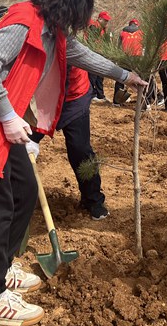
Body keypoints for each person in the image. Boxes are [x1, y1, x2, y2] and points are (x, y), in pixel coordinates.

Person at [0, 0, 146, 326]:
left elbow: (80, 55)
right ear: (71, 1)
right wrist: (8, 115)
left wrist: (123, 75)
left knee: (23, 191)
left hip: (2, 124)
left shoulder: (52, 29)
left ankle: (4, 266)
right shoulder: (24, 22)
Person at [30, 65, 109, 219]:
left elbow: (92, 60)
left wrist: (124, 76)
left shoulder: (74, 49)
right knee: (23, 144)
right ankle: (15, 197)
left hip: (74, 97)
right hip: (42, 98)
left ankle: (93, 199)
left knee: (80, 149)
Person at [113, 18, 142, 105]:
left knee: (121, 78)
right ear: (137, 25)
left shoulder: (122, 33)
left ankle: (116, 102)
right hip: (137, 57)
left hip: (125, 57)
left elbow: (118, 47)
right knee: (142, 79)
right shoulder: (141, 33)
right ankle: (145, 103)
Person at [87, 10, 112, 101]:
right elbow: (92, 40)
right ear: (100, 19)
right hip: (93, 53)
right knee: (92, 75)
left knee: (100, 75)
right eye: (105, 20)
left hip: (101, 54)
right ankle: (92, 95)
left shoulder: (103, 29)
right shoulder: (93, 27)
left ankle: (100, 95)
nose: (106, 22)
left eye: (107, 21)